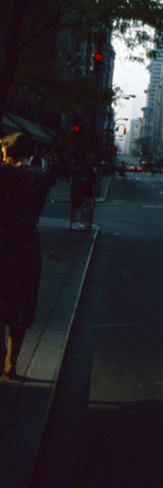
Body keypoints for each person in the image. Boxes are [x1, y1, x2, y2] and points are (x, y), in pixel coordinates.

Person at [0, 132, 53, 379]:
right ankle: (12, 363)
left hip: (4, 243)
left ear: (8, 152)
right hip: (29, 246)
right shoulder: (41, 176)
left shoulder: (5, 173)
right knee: (21, 305)